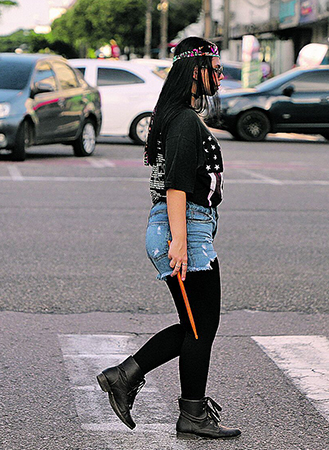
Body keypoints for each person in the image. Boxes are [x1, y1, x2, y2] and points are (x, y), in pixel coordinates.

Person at [96, 36, 241, 440]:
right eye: (213, 67)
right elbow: (177, 186)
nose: (219, 75)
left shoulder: (179, 116)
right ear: (194, 72)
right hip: (185, 229)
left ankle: (130, 380)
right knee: (200, 325)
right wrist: (181, 242)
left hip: (189, 227)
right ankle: (181, 409)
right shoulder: (181, 121)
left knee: (197, 325)